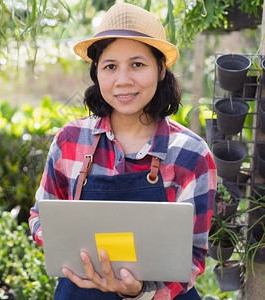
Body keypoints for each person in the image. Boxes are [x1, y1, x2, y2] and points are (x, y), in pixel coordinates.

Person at [28, 2, 216, 300]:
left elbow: (193, 255)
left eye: (137, 64)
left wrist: (140, 290)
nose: (123, 80)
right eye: (110, 66)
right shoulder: (70, 140)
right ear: (97, 72)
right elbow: (40, 214)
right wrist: (66, 242)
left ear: (161, 68)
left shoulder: (191, 155)